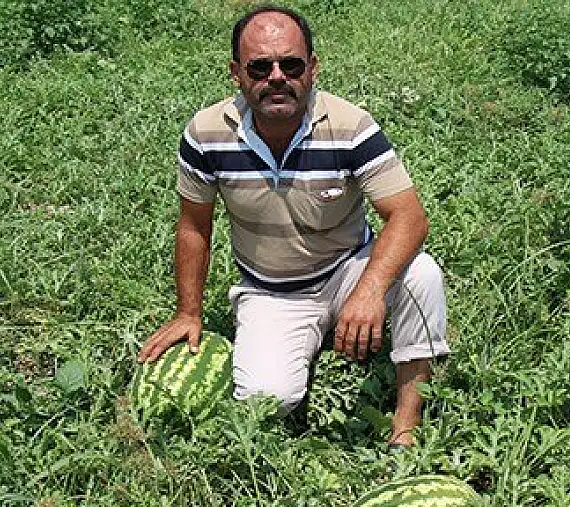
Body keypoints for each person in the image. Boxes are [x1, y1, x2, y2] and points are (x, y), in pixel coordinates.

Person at [137, 5, 449, 449]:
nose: (277, 77)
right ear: (236, 74)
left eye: (291, 64)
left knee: (422, 275)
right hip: (272, 291)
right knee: (267, 403)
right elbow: (193, 226)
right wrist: (188, 312)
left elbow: (409, 216)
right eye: (260, 67)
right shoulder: (206, 134)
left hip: (346, 270)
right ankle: (311, 337)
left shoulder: (351, 126)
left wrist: (369, 288)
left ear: (313, 68)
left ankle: (405, 426)